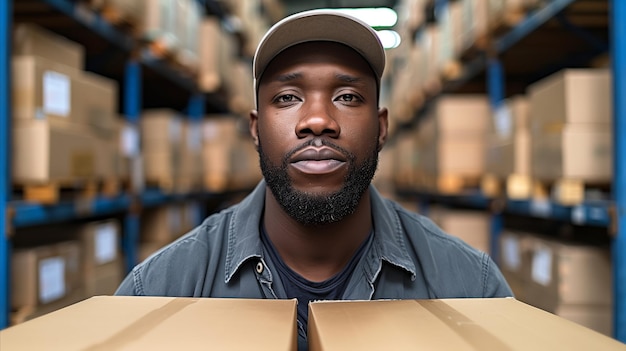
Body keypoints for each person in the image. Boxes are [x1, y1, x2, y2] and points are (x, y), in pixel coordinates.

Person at [115, 9, 512, 350]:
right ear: (255, 129)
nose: (318, 120)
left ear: (381, 127)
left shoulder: (470, 287)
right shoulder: (158, 288)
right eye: (287, 97)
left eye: (348, 97)